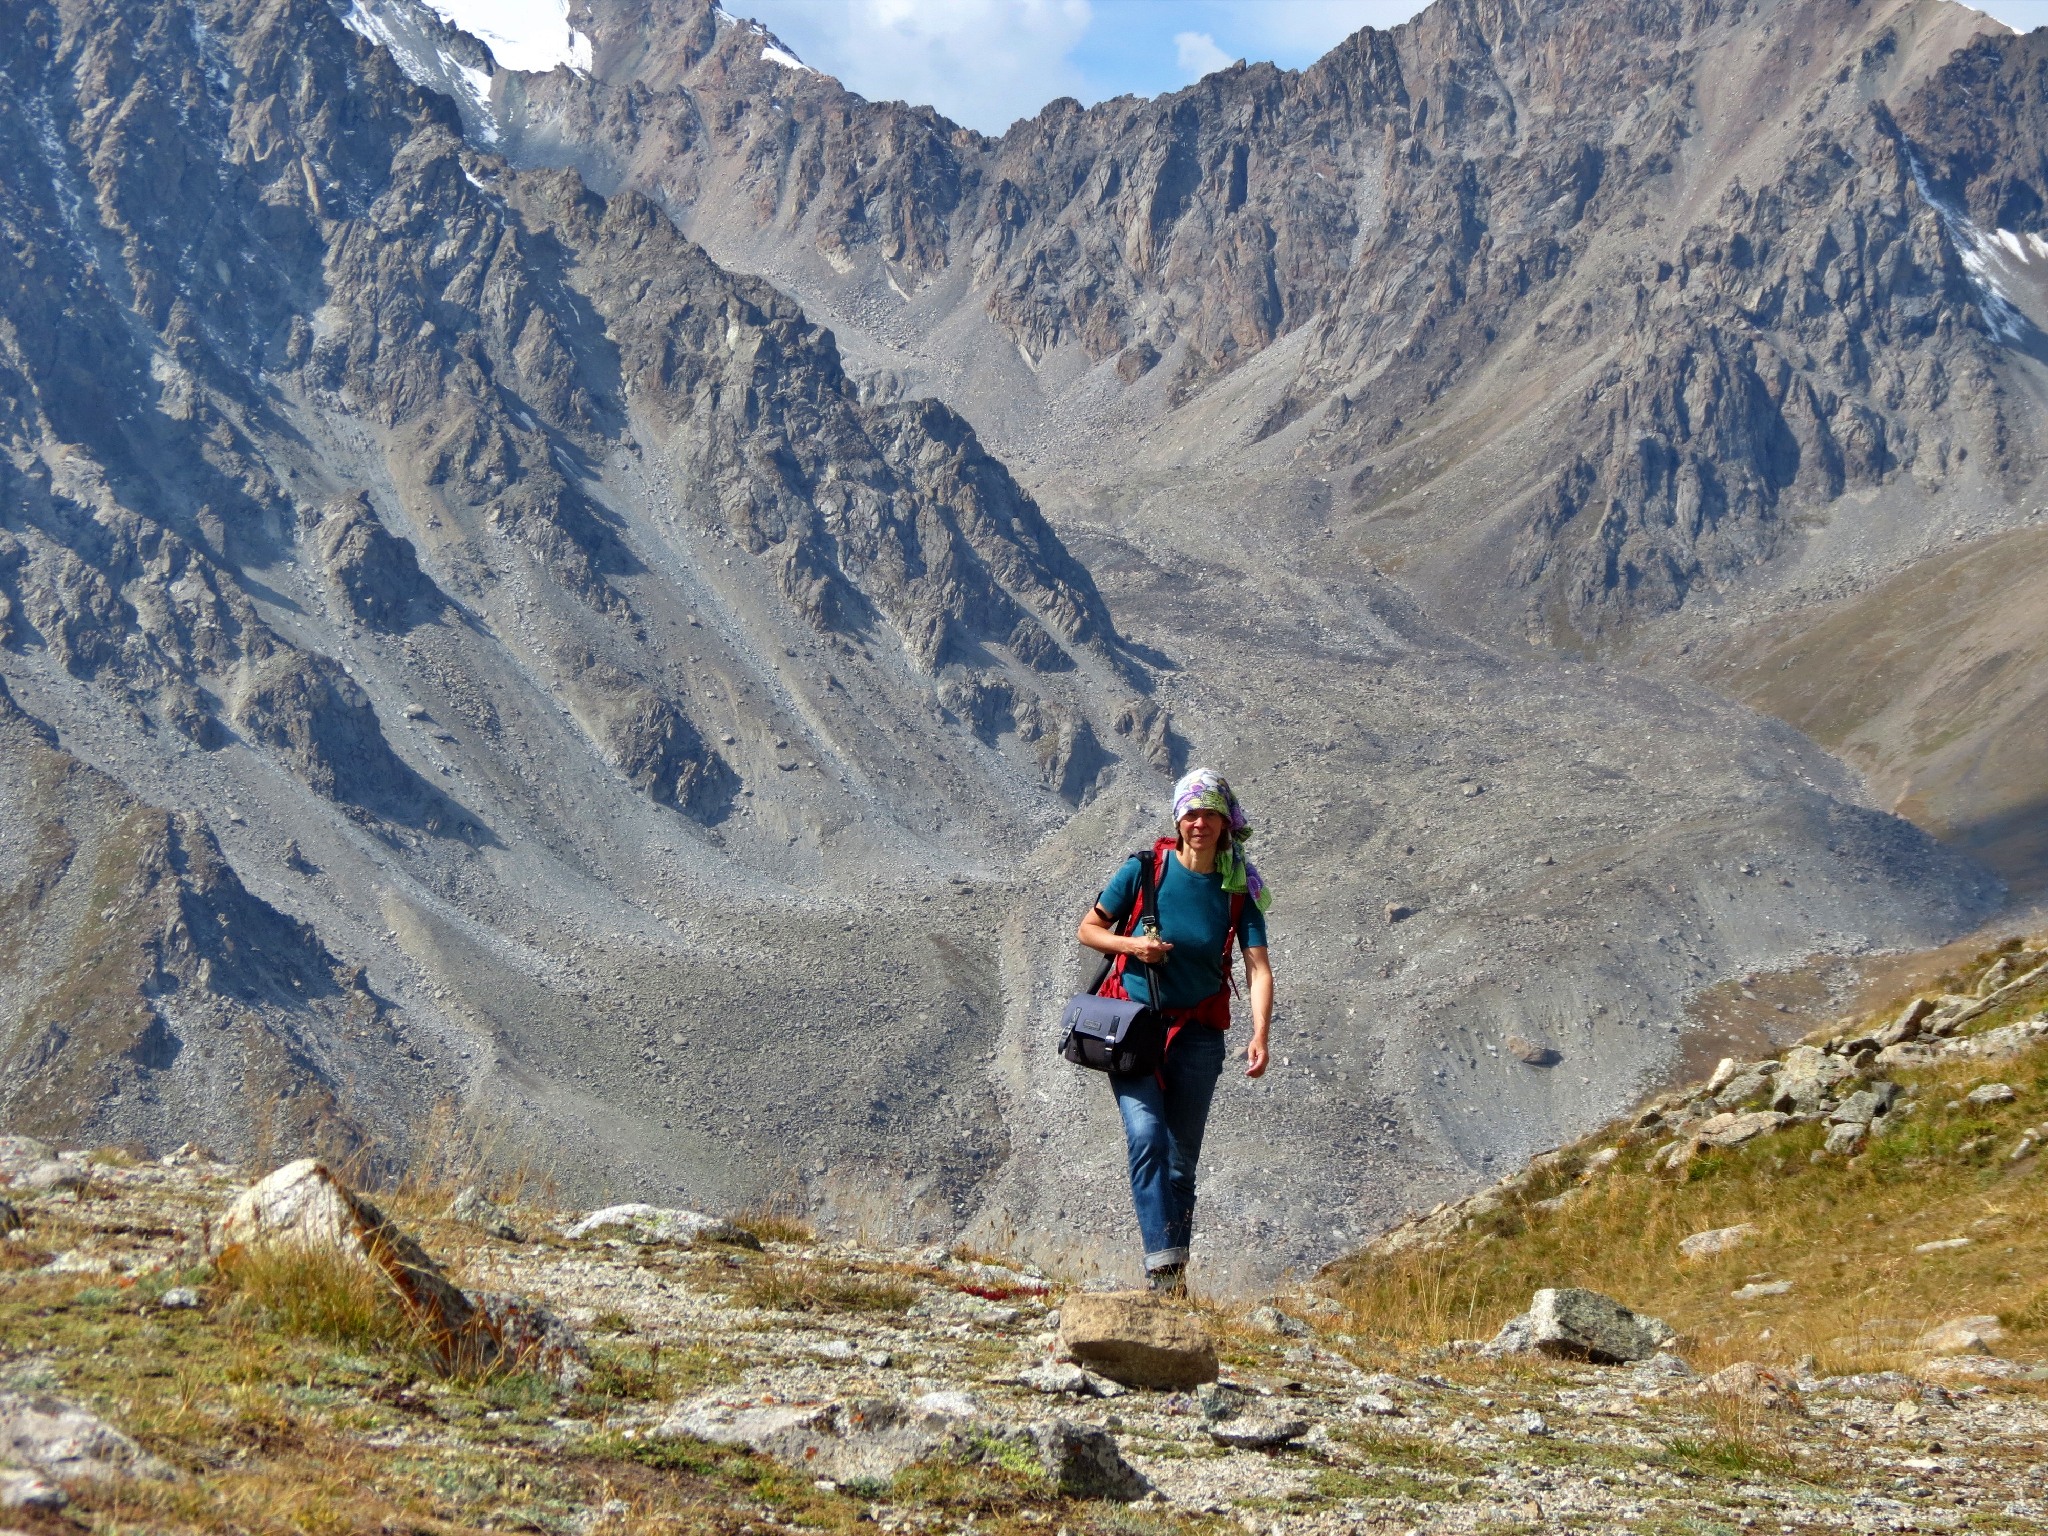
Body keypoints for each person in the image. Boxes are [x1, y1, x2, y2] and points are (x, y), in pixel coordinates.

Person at [1077, 768, 1273, 1294]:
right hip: (1134, 1028)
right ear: (1177, 818)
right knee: (1147, 1139)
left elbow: (1258, 967)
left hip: (1199, 1035)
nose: (1199, 823)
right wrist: (1133, 947)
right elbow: (1088, 929)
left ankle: (1171, 1284)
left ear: (1225, 823)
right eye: (1190, 812)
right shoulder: (1144, 870)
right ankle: (1162, 1271)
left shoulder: (1237, 890)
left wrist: (1260, 1034)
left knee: (1183, 1164)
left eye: (1209, 813)